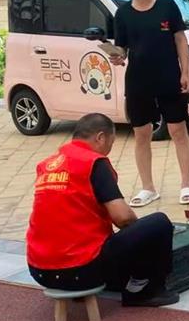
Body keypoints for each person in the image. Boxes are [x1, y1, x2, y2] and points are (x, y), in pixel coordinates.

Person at [26, 113, 178, 307]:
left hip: (39, 271)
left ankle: (88, 287)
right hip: (80, 269)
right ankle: (143, 291)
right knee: (159, 223)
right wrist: (141, 236)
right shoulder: (93, 163)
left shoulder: (46, 165)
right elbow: (122, 217)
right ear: (100, 137)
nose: (108, 151)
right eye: (110, 144)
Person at [110, 0, 189, 207]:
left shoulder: (167, 6)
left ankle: (187, 184)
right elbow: (122, 48)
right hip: (138, 81)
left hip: (169, 77)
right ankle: (148, 187)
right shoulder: (122, 14)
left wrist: (185, 72)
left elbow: (180, 40)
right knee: (141, 134)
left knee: (178, 131)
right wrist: (117, 56)